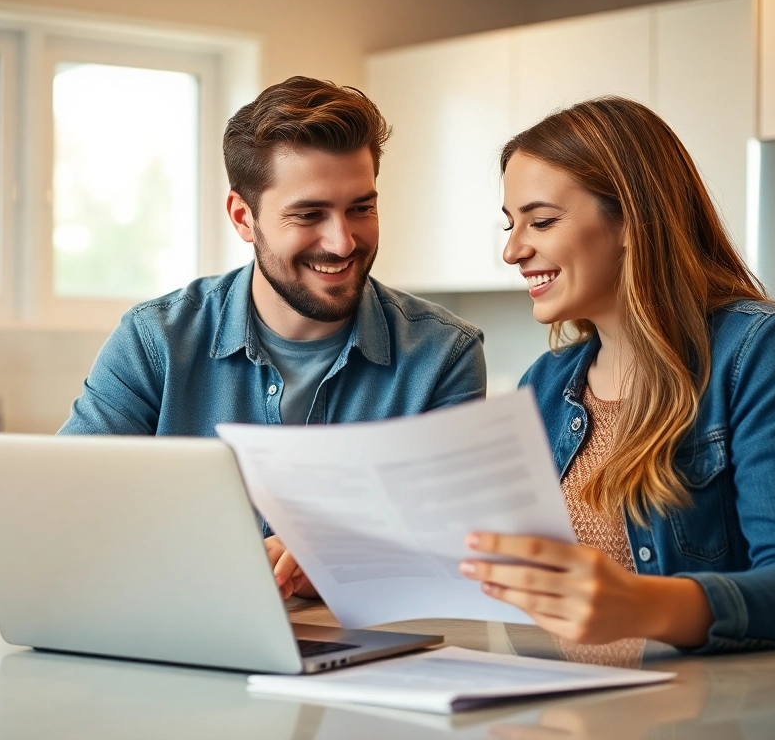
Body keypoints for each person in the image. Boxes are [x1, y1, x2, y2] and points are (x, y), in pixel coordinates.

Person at [61, 76, 487, 599]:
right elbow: (71, 509)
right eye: (309, 215)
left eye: (361, 208)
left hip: (372, 660)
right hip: (181, 643)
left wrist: (344, 554)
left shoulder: (444, 355)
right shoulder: (155, 341)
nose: (342, 241)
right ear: (244, 217)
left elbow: (455, 548)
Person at [460, 96, 775, 653]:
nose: (513, 250)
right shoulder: (543, 385)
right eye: (511, 224)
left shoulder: (757, 349)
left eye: (541, 221)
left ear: (631, 219)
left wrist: (641, 604)